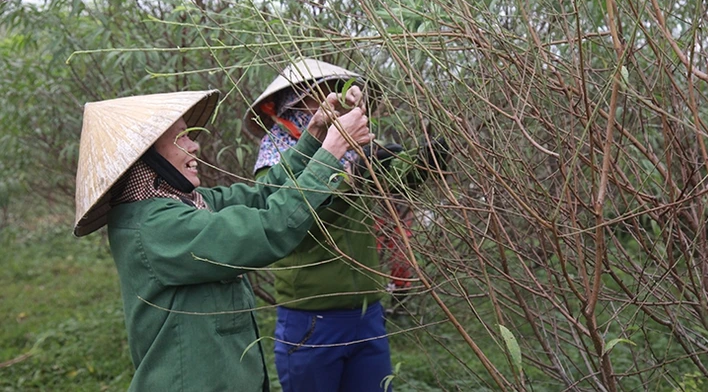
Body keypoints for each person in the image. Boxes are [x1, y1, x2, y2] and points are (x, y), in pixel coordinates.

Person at [73, 88, 372, 392]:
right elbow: (270, 227)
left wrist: (314, 136)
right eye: (181, 138)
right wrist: (331, 152)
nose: (195, 146)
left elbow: (263, 196)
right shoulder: (157, 226)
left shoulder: (185, 203)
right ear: (146, 155)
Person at [244, 58, 449, 392]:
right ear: (296, 101)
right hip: (312, 317)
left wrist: (428, 159)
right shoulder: (277, 160)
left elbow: (396, 182)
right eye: (323, 93)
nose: (335, 100)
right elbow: (296, 217)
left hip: (366, 310)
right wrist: (348, 174)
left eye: (336, 92)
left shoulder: (354, 153)